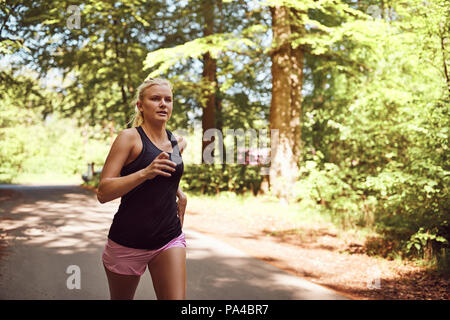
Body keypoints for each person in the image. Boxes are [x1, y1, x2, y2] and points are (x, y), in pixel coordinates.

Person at [96, 78, 188, 300]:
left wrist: (179, 194)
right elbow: (103, 192)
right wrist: (145, 172)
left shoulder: (178, 142)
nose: (163, 104)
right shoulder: (129, 138)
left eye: (168, 99)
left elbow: (165, 178)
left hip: (168, 237)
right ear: (140, 105)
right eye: (155, 99)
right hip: (127, 240)